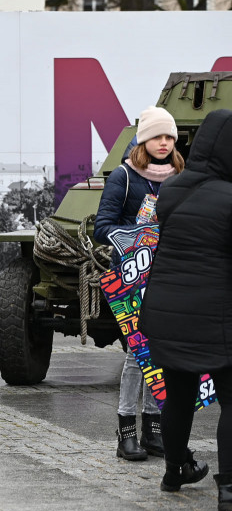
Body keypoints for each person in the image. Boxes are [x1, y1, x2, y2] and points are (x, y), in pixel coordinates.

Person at [140, 108, 232, 511]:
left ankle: (174, 471)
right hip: (216, 315)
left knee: (178, 395)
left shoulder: (172, 189)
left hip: (167, 311)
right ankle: (229, 489)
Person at [94, 106, 183, 461]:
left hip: (169, 274)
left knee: (159, 352)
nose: (164, 143)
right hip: (133, 277)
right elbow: (102, 227)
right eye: (157, 136)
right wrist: (141, 236)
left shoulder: (179, 174)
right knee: (136, 353)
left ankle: (153, 430)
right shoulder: (124, 176)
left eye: (169, 137)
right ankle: (126, 431)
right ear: (144, 139)